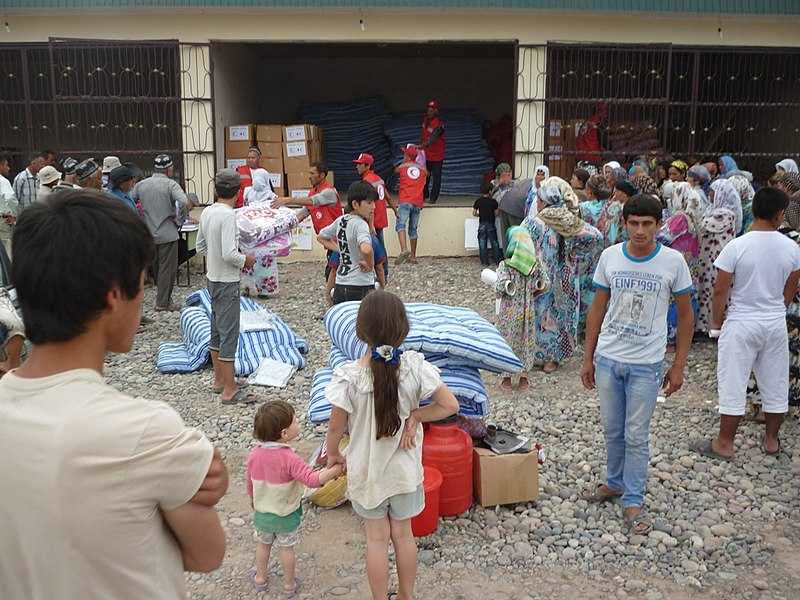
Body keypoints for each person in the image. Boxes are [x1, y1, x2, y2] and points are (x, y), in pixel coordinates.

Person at [0, 189, 228, 599]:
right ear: (114, 295)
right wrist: (183, 473)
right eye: (141, 284)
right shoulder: (145, 431)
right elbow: (208, 554)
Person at [324, 290, 459, 600]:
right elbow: (450, 405)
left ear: (361, 331)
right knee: (404, 535)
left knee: (376, 541)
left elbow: (335, 427)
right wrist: (417, 415)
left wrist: (333, 454)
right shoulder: (414, 368)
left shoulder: (349, 377)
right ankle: (406, 596)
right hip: (404, 474)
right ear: (403, 329)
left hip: (368, 475)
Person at [582, 193, 694, 535]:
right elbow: (597, 309)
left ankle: (633, 499)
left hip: (647, 364)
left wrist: (679, 365)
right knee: (612, 429)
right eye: (634, 223)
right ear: (624, 224)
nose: (641, 230)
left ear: (659, 225)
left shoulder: (673, 262)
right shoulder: (610, 257)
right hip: (608, 359)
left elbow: (686, 316)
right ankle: (614, 482)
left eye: (647, 224)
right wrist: (588, 357)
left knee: (636, 434)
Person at [694, 187, 800, 460]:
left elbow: (720, 289)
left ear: (754, 210)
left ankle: (725, 442)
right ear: (779, 214)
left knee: (733, 380)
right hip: (774, 321)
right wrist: (778, 307)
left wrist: (716, 324)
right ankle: (771, 440)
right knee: (775, 381)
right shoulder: (792, 248)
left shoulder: (737, 246)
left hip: (741, 320)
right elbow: (792, 286)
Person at [247, 400, 343, 595]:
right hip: (286, 514)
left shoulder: (254, 455)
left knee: (263, 545)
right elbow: (312, 480)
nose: (298, 423)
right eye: (295, 421)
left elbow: (250, 483)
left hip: (262, 513)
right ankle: (289, 585)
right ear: (284, 433)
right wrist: (336, 470)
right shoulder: (290, 458)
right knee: (286, 549)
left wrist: (253, 501)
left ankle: (260, 578)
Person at [526, 182, 603, 373]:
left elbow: (520, 243)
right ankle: (554, 358)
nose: (538, 203)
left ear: (545, 201)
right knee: (561, 314)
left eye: (539, 200)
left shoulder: (534, 221)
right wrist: (576, 256)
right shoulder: (568, 219)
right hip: (565, 277)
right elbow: (595, 237)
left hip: (540, 276)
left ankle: (539, 355)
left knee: (541, 314)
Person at [196, 169, 256, 405]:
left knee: (216, 329)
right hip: (227, 280)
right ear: (238, 192)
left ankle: (219, 379)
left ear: (215, 190)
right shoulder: (229, 215)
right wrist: (246, 260)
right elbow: (230, 254)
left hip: (212, 278)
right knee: (229, 333)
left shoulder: (208, 211)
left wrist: (216, 257)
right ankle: (230, 389)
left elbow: (200, 246)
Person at [273, 162, 342, 304]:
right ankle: (334, 304)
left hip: (338, 242)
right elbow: (302, 214)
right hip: (329, 242)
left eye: (312, 173)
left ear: (322, 175)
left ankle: (335, 305)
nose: (309, 176)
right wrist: (278, 228)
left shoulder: (328, 192)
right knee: (332, 273)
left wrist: (288, 200)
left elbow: (312, 201)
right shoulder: (313, 192)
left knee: (333, 274)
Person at [132, 154, 191, 311]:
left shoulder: (141, 185)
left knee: (156, 267)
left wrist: (139, 220)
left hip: (148, 232)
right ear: (168, 169)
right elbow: (184, 202)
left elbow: (130, 201)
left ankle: (162, 297)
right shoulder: (171, 185)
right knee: (167, 269)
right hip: (167, 232)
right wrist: (180, 219)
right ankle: (163, 302)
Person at [495, 226, 550, 391]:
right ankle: (520, 376)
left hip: (508, 313)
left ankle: (510, 376)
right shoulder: (533, 265)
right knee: (526, 340)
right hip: (527, 311)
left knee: (508, 340)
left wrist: (508, 286)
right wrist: (535, 291)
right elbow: (545, 283)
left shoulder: (506, 265)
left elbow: (499, 286)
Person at [658, 182, 703, 349]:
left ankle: (671, 338)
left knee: (674, 300)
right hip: (690, 266)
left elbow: (662, 238)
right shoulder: (694, 218)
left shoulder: (680, 218)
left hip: (676, 265)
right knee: (687, 299)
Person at [318, 181, 376, 304]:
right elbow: (366, 249)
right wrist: (370, 265)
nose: (373, 207)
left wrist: (340, 249)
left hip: (340, 283)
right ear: (355, 204)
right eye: (369, 203)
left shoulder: (341, 220)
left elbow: (321, 237)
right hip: (361, 284)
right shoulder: (361, 224)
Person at [696, 178, 740, 332]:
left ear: (721, 194)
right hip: (708, 258)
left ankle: (714, 325)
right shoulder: (712, 210)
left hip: (717, 258)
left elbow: (703, 225)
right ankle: (704, 324)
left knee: (715, 289)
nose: (710, 194)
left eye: (713, 192)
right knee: (706, 289)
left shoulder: (725, 214)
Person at [355, 152, 396, 274]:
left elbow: (368, 203)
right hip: (380, 217)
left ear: (367, 166)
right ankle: (384, 271)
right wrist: (395, 211)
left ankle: (380, 272)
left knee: (372, 246)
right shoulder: (379, 179)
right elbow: (388, 197)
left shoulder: (366, 182)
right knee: (380, 245)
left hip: (371, 219)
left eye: (360, 164)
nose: (357, 166)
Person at [394, 145, 427, 266]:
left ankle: (404, 250)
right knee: (413, 229)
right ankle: (413, 257)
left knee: (400, 224)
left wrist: (405, 162)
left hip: (405, 200)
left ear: (407, 156)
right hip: (417, 201)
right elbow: (426, 174)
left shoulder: (403, 166)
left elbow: (395, 171)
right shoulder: (422, 169)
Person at [420, 100, 445, 204]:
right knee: (425, 176)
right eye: (428, 110)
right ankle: (424, 195)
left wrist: (421, 146)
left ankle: (433, 198)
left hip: (437, 156)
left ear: (436, 111)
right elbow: (423, 135)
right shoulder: (425, 121)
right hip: (426, 154)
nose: (429, 112)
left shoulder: (439, 124)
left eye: (431, 110)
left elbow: (432, 139)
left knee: (436, 177)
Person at [473, 181, 501, 266]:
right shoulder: (493, 202)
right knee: (494, 243)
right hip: (491, 224)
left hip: (482, 224)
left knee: (482, 243)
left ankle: (484, 262)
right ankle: (497, 260)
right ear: (490, 191)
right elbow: (496, 213)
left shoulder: (478, 201)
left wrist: (480, 215)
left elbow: (474, 213)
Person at [0, 154, 18, 258]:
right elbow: (10, 198)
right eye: (6, 165)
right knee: (6, 251)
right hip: (3, 221)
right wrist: (13, 215)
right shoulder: (3, 181)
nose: (8, 168)